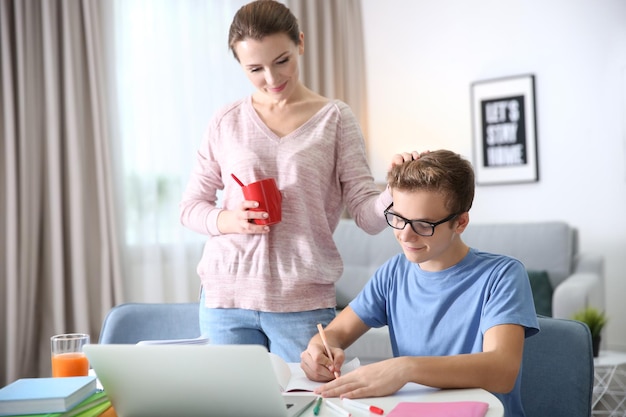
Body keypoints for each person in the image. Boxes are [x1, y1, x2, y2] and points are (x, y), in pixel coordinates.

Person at [179, 0, 411, 362]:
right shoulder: (226, 121)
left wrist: (395, 190)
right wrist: (229, 219)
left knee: (309, 406)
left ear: (300, 43)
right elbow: (190, 207)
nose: (271, 79)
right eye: (255, 68)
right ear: (239, 65)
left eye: (282, 60)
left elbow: (367, 217)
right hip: (226, 299)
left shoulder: (335, 119)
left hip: (302, 302)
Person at [300, 150, 540, 417]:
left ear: (460, 222)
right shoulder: (393, 273)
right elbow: (335, 334)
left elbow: (501, 370)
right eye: (398, 218)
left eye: (423, 224)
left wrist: (406, 368)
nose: (405, 234)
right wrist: (319, 350)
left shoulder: (502, 275)